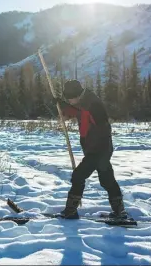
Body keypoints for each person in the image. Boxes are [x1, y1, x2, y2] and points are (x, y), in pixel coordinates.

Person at [54, 79, 128, 219]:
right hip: (98, 150)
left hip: (98, 150)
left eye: (70, 98)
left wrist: (65, 107)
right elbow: (78, 112)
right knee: (107, 180)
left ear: (77, 95)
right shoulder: (84, 102)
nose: (69, 100)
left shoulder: (92, 104)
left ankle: (70, 211)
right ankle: (120, 212)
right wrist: (63, 107)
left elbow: (92, 116)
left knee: (78, 176)